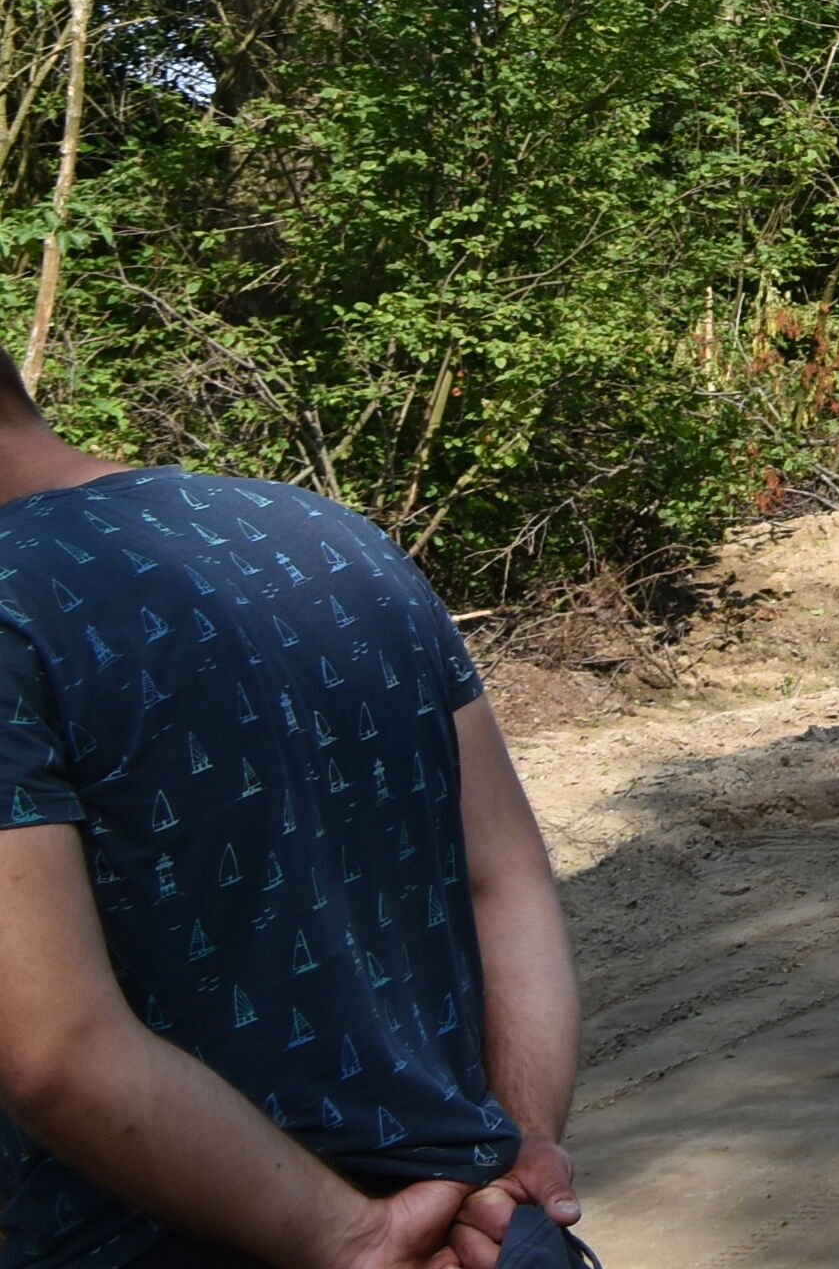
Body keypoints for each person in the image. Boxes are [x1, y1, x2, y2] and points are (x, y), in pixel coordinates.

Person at [0, 353, 586, 1269]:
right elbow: (504, 879)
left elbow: (54, 1047)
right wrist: (523, 1144)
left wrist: (353, 1239)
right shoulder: (333, 535)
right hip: (487, 1231)